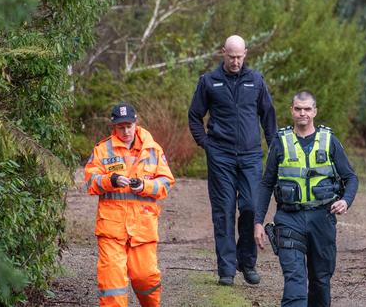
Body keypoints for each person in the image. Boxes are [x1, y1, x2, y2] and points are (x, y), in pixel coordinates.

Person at [254, 90, 359, 307]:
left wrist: (345, 200)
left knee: (321, 280)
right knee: (295, 280)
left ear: (315, 111)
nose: (303, 113)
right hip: (288, 218)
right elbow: (266, 184)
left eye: (308, 109)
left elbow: (351, 178)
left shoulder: (329, 140)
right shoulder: (280, 142)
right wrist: (257, 222)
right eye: (299, 109)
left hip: (323, 218)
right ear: (292, 111)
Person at [188, 35, 277, 286]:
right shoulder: (209, 81)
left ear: (245, 54)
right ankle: (226, 269)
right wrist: (206, 145)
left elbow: (268, 117)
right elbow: (195, 116)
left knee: (250, 207)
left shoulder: (256, 80)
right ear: (223, 53)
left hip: (250, 157)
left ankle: (246, 262)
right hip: (221, 157)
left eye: (240, 56)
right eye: (231, 56)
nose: (236, 61)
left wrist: (275, 151)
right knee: (224, 211)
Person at [84, 103, 175, 307]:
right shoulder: (102, 149)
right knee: (112, 284)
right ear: (114, 126)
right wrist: (111, 180)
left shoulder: (153, 149)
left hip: (143, 228)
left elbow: (166, 182)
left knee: (146, 279)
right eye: (121, 127)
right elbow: (91, 181)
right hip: (111, 229)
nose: (125, 131)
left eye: (129, 126)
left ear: (136, 123)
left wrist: (144, 185)